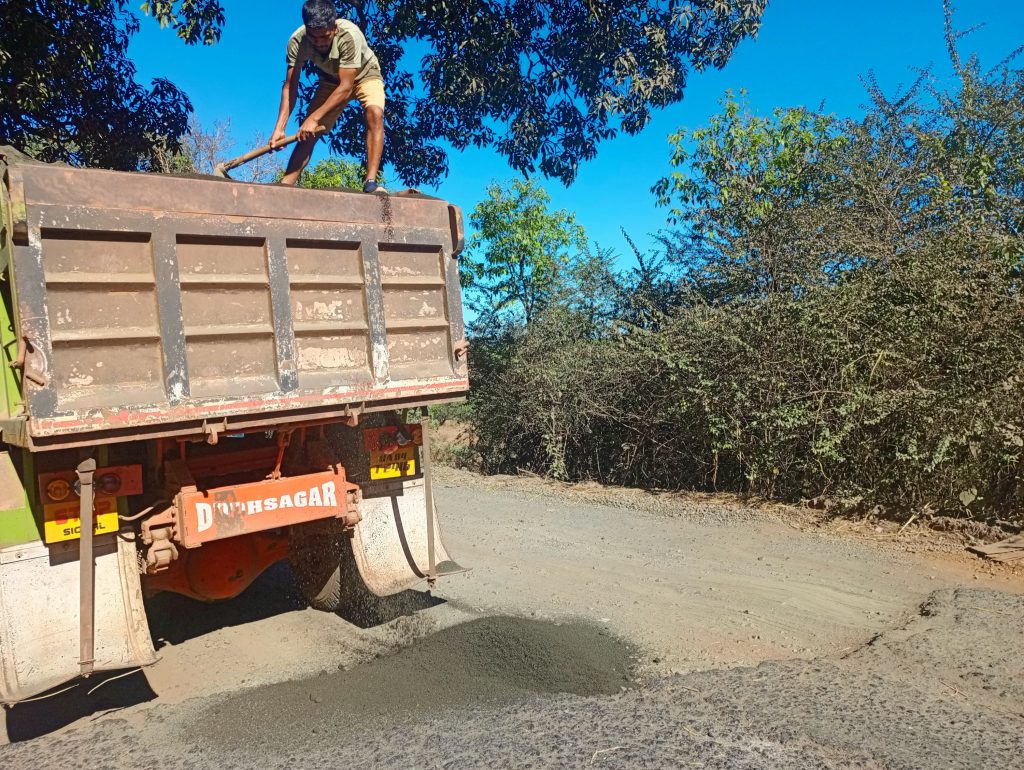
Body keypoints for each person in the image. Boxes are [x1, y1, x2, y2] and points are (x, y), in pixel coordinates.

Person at [271, 0, 386, 192]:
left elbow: (347, 87)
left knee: (375, 113)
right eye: (313, 38)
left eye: (324, 37)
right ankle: (284, 187)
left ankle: (371, 182)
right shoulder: (297, 42)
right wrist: (279, 129)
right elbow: (290, 86)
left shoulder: (349, 35)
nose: (319, 43)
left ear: (334, 28)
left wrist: (313, 118)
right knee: (308, 133)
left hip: (365, 75)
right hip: (330, 80)